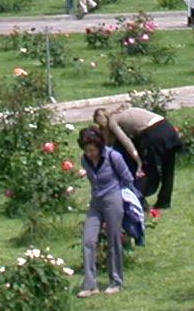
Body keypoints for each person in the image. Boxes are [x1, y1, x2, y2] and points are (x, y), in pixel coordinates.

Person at [75, 127, 133, 296]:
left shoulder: (113, 156)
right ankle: (90, 284)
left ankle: (116, 281)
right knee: (88, 240)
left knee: (113, 240)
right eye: (86, 150)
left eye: (92, 150)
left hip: (113, 199)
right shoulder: (84, 159)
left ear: (99, 146)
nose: (89, 153)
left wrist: (126, 201)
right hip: (96, 202)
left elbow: (127, 178)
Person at [95, 103, 182, 211]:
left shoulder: (113, 121)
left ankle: (137, 200)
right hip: (167, 127)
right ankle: (164, 202)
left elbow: (127, 144)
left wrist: (139, 162)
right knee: (168, 168)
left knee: (146, 171)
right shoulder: (123, 111)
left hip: (153, 133)